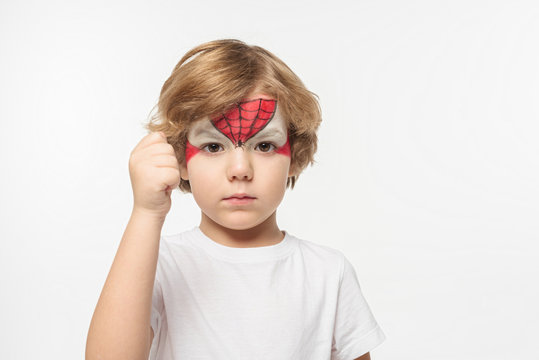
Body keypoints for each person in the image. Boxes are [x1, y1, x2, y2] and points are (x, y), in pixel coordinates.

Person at [86, 39, 385, 360]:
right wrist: (146, 212)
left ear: (295, 156)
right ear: (181, 160)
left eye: (265, 146)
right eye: (213, 147)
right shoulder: (156, 264)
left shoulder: (328, 273)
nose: (240, 169)